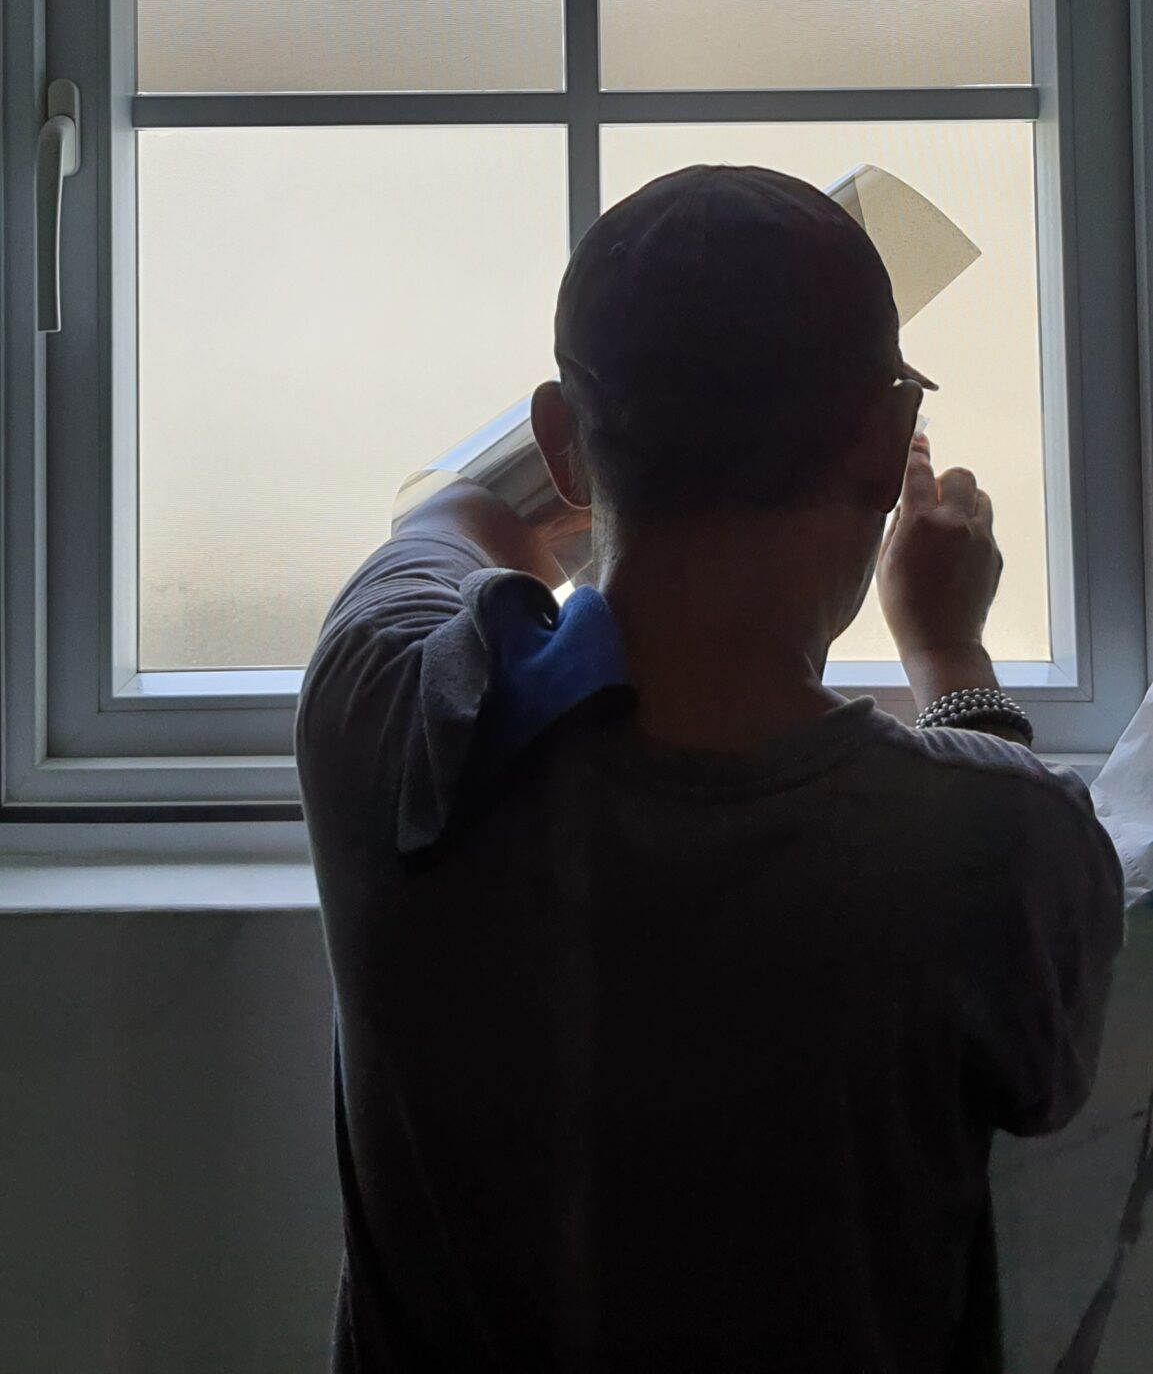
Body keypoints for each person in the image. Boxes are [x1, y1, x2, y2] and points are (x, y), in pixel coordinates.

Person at [297, 164, 1124, 1374]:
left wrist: (599, 443)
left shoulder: (381, 715)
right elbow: (1037, 1067)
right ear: (887, 440)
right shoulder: (989, 837)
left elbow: (448, 515)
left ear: (562, 442)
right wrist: (950, 657)